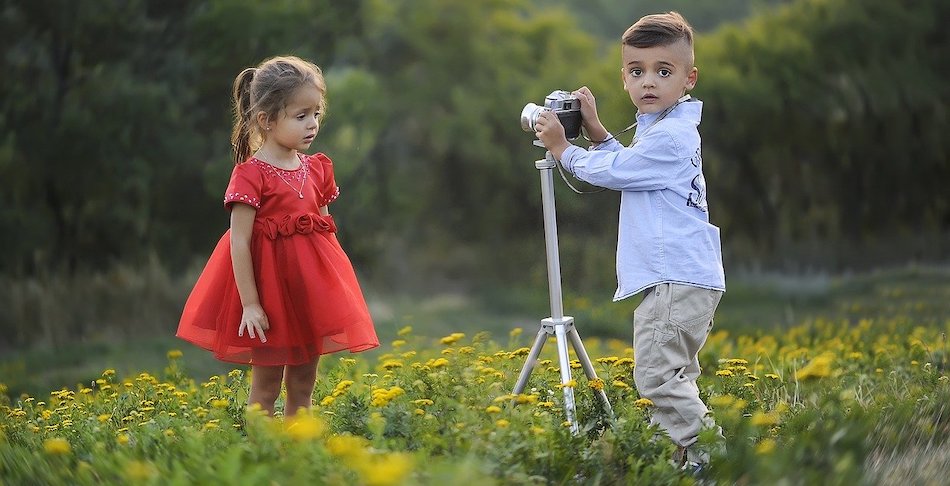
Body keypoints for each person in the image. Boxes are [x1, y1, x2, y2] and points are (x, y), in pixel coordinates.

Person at [534, 12, 726, 471]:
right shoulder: (661, 128)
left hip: (674, 279)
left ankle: (714, 460)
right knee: (676, 376)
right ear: (623, 77)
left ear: (689, 79)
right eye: (637, 71)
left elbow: (618, 173)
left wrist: (564, 149)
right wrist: (598, 133)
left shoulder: (673, 137)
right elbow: (633, 169)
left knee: (658, 378)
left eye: (664, 71)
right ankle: (688, 460)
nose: (648, 82)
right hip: (686, 277)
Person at [176, 55, 379, 416]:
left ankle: (298, 455)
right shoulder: (251, 175)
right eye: (300, 116)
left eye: (316, 113)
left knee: (303, 385)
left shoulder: (317, 169)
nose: (312, 124)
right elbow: (238, 242)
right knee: (266, 388)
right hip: (269, 298)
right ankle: (266, 458)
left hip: (307, 295)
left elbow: (326, 233)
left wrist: (333, 292)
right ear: (266, 120)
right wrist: (251, 304)